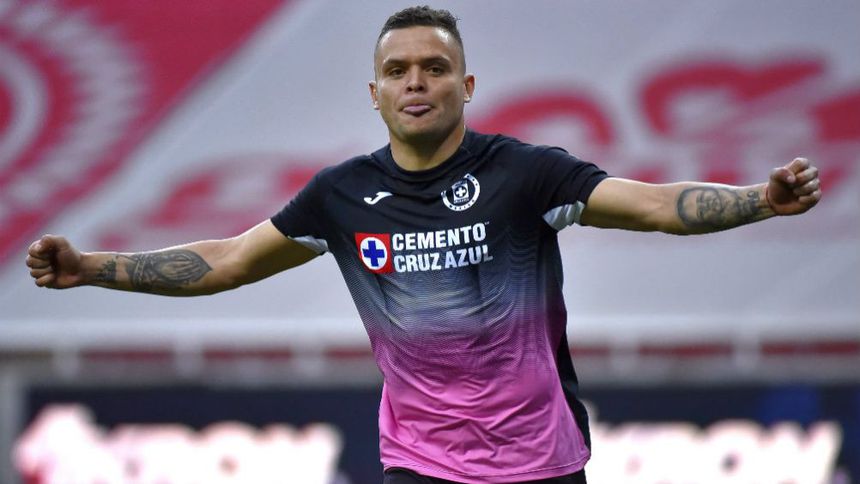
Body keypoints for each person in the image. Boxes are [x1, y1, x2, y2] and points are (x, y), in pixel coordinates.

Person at [25, 6, 821, 484]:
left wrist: (759, 200)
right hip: (421, 465)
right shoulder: (341, 196)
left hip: (542, 461)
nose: (416, 82)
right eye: (398, 70)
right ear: (375, 93)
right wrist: (90, 268)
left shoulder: (525, 174)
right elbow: (230, 261)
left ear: (465, 87)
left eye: (435, 68)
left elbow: (650, 206)